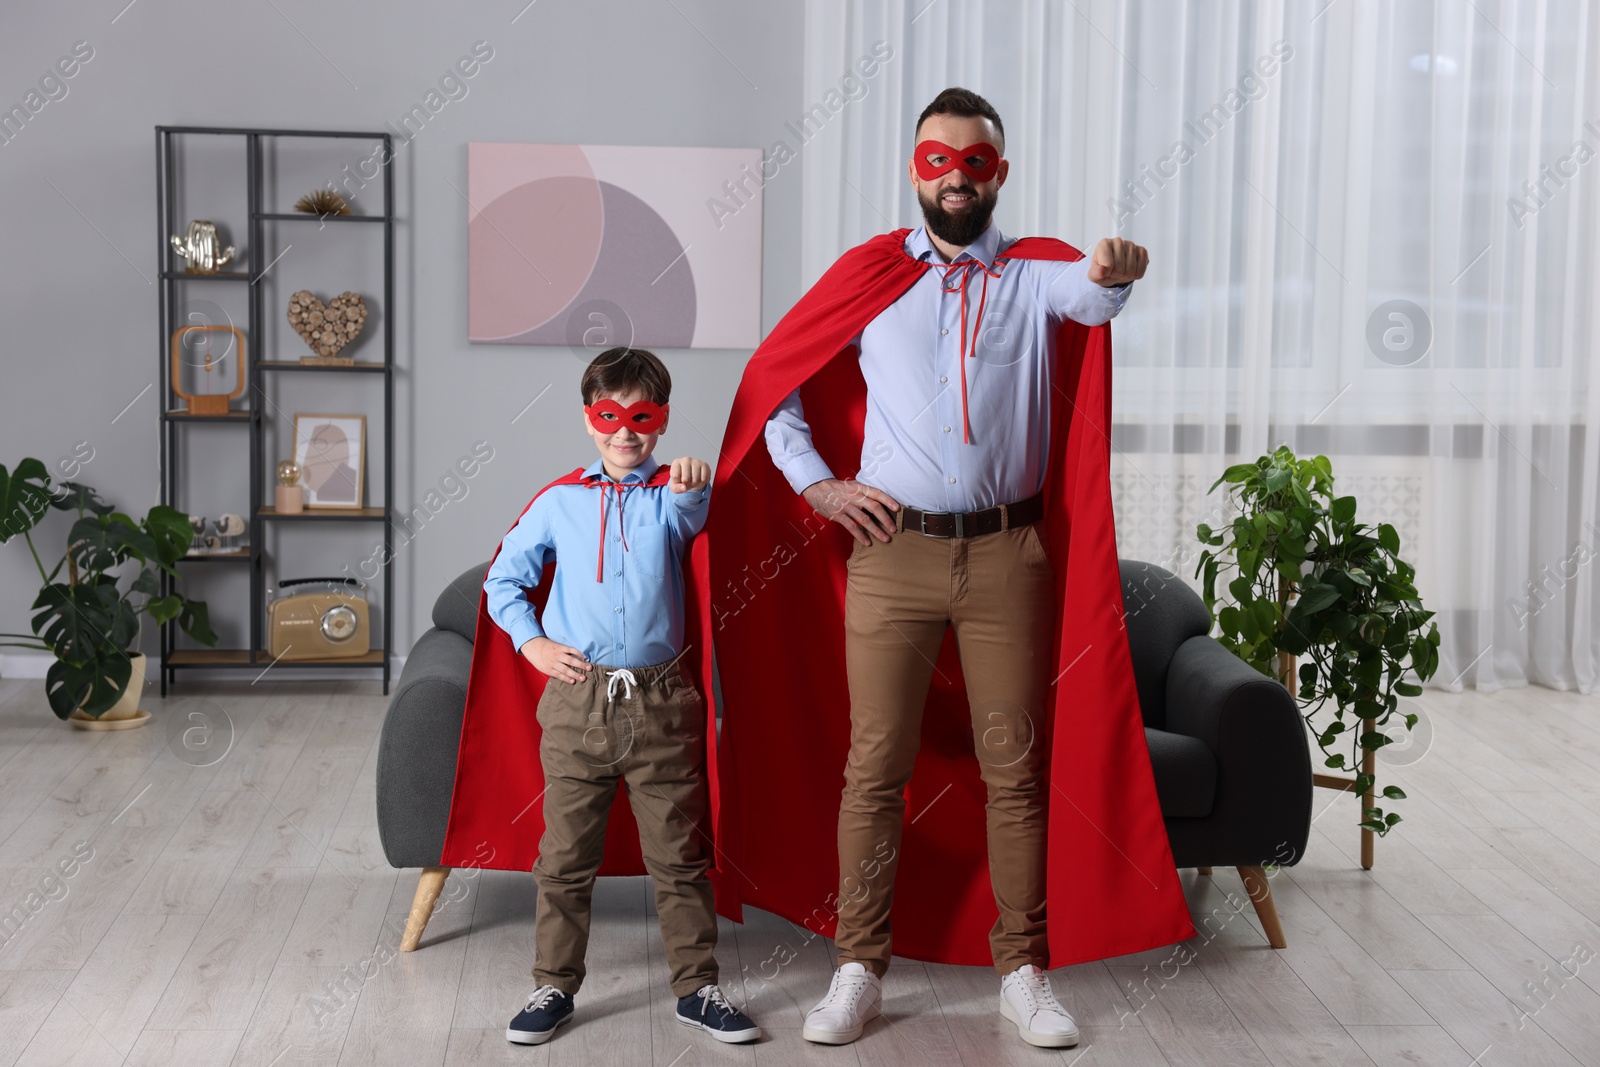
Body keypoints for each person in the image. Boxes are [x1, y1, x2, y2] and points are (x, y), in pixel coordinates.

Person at [702, 86, 1192, 1050]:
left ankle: (1025, 969)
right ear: (914, 168)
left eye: (975, 162)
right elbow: (777, 383)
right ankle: (858, 968)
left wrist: (1115, 271)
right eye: (937, 160)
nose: (955, 178)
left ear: (997, 173)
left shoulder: (1034, 274)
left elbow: (1089, 292)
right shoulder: (871, 274)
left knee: (1014, 768)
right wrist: (819, 488)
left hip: (1009, 555)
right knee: (872, 768)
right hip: (892, 555)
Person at [482, 347, 760, 1047]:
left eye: (641, 416)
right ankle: (553, 982)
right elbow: (502, 582)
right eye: (610, 415)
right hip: (579, 704)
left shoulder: (672, 497)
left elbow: (695, 521)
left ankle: (697, 988)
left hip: (662, 705)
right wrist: (532, 643)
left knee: (679, 855)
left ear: (660, 421)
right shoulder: (559, 502)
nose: (625, 431)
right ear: (589, 419)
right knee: (566, 854)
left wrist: (694, 482)